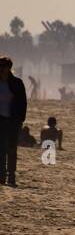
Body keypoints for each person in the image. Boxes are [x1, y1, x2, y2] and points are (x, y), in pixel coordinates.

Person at [0, 56, 28, 187]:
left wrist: (21, 119)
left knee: (11, 149)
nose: (0, 68)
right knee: (1, 149)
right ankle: (1, 175)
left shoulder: (17, 83)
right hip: (1, 119)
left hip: (13, 120)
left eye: (2, 66)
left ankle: (11, 175)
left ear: (8, 68)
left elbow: (23, 102)